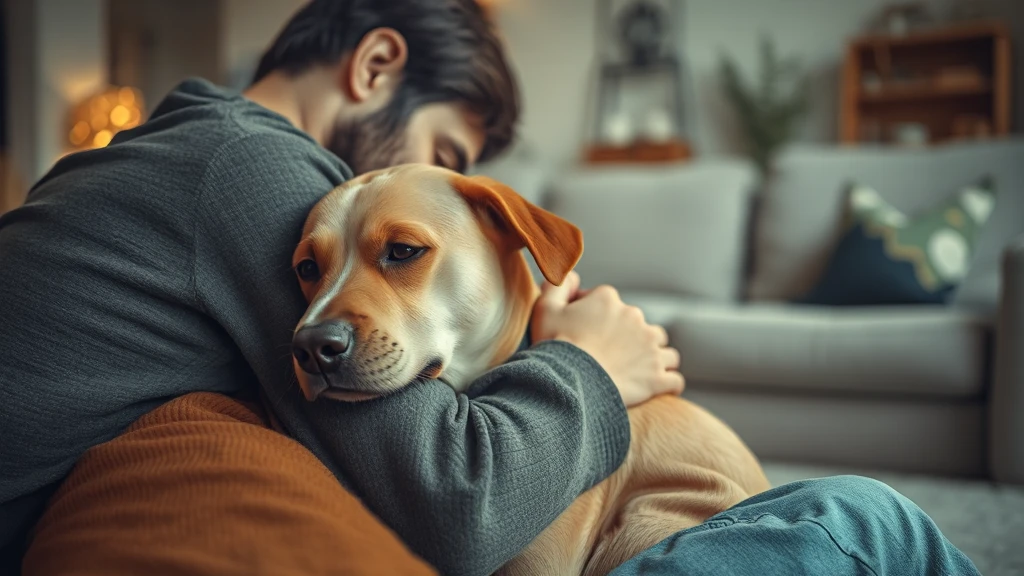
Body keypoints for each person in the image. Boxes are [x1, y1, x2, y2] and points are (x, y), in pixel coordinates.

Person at [0, 1, 979, 575]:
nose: (317, 310)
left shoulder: (174, 152)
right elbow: (457, 505)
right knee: (866, 520)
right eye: (445, 150)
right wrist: (587, 367)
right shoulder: (254, 174)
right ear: (377, 65)